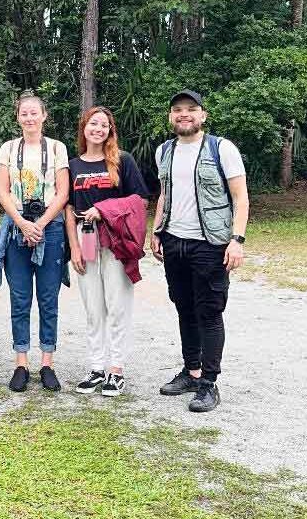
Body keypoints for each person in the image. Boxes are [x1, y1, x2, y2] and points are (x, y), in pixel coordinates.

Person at [151, 90, 249, 413]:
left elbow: (241, 198)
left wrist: (237, 239)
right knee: (184, 307)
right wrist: (156, 230)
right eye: (177, 110)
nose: (184, 114)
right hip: (174, 242)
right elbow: (165, 193)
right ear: (170, 117)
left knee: (209, 312)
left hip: (210, 244)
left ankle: (209, 384)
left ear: (203, 115)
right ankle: (191, 372)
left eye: (191, 109)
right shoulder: (164, 151)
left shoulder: (222, 149)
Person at [64, 107, 149, 397]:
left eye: (104, 125)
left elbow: (140, 200)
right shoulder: (72, 165)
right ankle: (96, 367)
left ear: (110, 130)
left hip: (114, 239)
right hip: (84, 237)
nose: (98, 129)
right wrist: (73, 246)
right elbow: (68, 207)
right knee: (93, 307)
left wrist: (103, 209)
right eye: (93, 123)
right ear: (84, 127)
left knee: (117, 304)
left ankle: (116, 369)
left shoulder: (122, 161)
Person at [0, 92, 70, 393]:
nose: (29, 118)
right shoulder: (8, 149)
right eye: (24, 113)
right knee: (21, 298)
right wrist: (23, 222)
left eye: (34, 113)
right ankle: (21, 362)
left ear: (44, 116)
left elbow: (63, 192)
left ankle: (47, 362)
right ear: (18, 118)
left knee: (49, 298)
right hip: (17, 227)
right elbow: (1, 191)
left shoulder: (57, 148)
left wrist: (39, 224)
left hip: (49, 229)